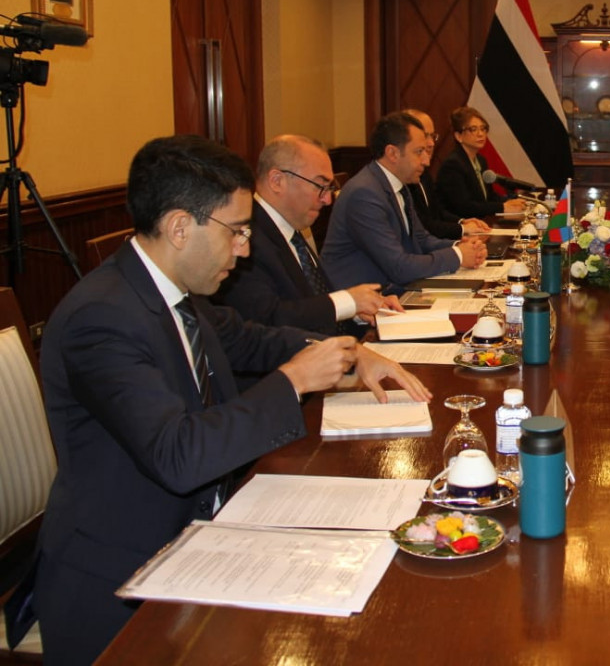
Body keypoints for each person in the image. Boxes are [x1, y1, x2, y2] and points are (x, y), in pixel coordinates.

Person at [27, 135, 430, 665]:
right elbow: (177, 454)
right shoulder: (100, 318)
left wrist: (351, 353)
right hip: (123, 579)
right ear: (179, 227)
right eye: (236, 231)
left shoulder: (176, 292)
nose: (244, 249)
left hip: (207, 536)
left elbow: (251, 338)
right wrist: (293, 380)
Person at [214, 135, 402, 335]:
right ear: (277, 181)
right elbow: (267, 319)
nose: (327, 199)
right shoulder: (244, 237)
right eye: (319, 186)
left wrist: (359, 310)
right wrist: (348, 301)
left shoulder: (290, 230)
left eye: (329, 188)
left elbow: (310, 305)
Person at [322, 112, 488, 293]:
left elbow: (421, 239)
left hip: (393, 290)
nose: (426, 161)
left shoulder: (400, 185)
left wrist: (462, 246)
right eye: (419, 152)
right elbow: (399, 267)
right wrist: (458, 256)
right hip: (364, 301)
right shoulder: (364, 194)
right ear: (392, 153)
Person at [404, 109, 490, 241]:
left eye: (432, 136)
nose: (431, 143)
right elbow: (424, 226)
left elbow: (437, 211)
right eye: (425, 135)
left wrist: (462, 221)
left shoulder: (424, 173)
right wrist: (462, 230)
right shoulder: (452, 164)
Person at [434, 106, 526, 219]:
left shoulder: (481, 160)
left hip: (481, 222)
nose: (480, 134)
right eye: (473, 129)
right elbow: (464, 207)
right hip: (461, 225)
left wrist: (511, 201)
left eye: (483, 129)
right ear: (458, 136)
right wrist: (502, 207)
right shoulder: (453, 165)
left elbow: (488, 197)